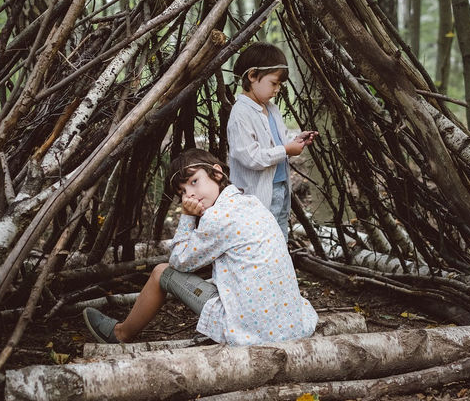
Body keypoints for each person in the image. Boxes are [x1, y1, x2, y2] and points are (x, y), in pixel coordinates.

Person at [83, 148, 318, 346]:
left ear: (217, 173)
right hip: (291, 323)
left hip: (257, 333)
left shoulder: (218, 217)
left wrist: (186, 216)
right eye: (183, 192)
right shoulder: (250, 202)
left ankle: (120, 334)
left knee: (161, 272)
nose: (190, 195)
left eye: (194, 182)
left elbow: (179, 261)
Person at [227, 42, 317, 242]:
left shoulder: (272, 109)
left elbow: (279, 141)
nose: (277, 90)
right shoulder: (241, 113)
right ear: (252, 76)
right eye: (273, 83)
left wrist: (295, 142)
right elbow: (251, 157)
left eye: (279, 85)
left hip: (280, 185)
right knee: (262, 240)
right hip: (257, 194)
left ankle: (280, 270)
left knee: (279, 235)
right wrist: (286, 149)